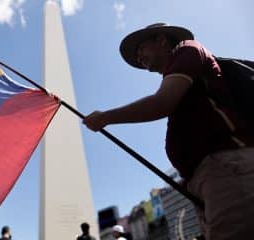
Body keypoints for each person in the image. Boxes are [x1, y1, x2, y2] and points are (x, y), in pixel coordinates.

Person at [83, 23, 254, 240]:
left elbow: (161, 103)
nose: (139, 57)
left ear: (162, 40)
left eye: (141, 49)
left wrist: (106, 117)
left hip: (229, 173)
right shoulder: (187, 87)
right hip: (213, 181)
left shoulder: (187, 49)